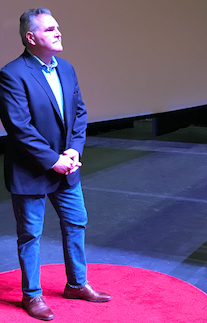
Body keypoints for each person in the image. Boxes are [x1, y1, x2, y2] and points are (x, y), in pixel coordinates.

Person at [0, 8, 111, 321]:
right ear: (31, 37)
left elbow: (79, 114)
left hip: (67, 168)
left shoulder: (67, 69)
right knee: (30, 236)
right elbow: (19, 127)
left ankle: (76, 284)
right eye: (50, 30)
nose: (58, 32)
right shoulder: (12, 74)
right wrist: (53, 160)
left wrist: (74, 151)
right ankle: (31, 296)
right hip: (31, 171)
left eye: (58, 27)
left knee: (77, 223)